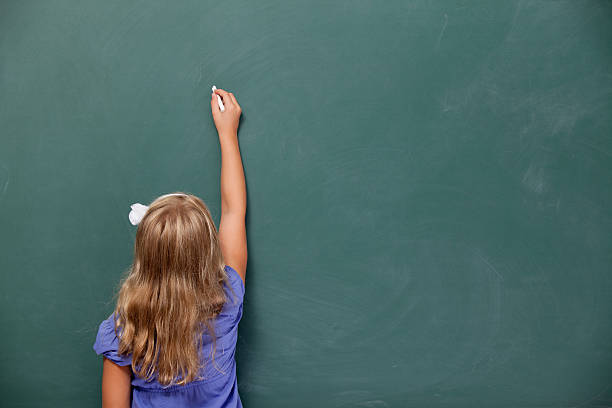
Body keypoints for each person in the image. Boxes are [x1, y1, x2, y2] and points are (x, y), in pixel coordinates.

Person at [93, 88, 247, 407]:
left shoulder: (124, 331)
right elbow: (233, 211)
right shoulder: (228, 299)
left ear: (145, 256)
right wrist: (227, 133)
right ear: (208, 251)